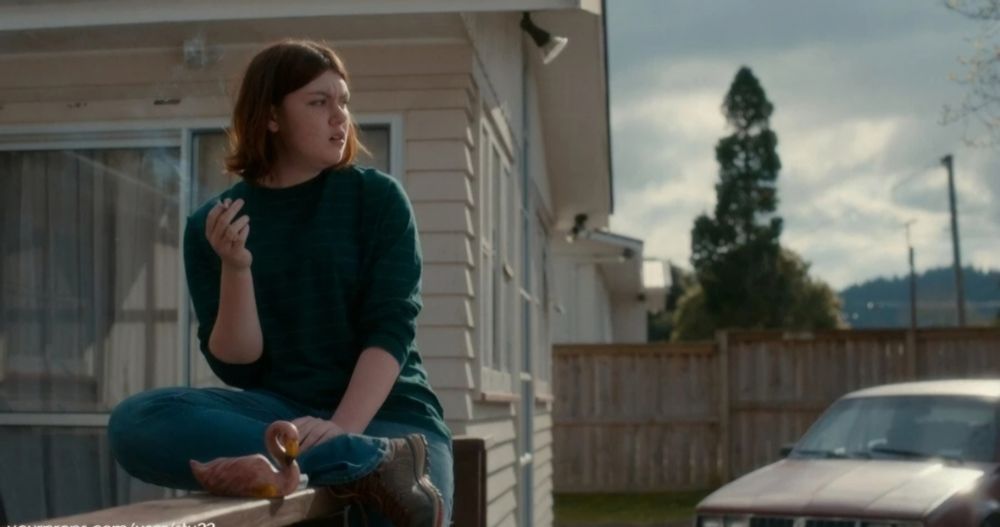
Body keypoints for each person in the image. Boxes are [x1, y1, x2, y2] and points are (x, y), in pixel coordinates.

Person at [108, 39, 452, 527]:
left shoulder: (377, 199)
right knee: (135, 423)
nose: (341, 117)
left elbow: (390, 330)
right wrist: (236, 267)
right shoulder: (215, 223)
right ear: (271, 117)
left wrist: (339, 431)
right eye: (319, 102)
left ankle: (361, 464)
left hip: (393, 423)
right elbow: (240, 365)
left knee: (403, 505)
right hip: (279, 420)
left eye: (344, 102)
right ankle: (355, 467)